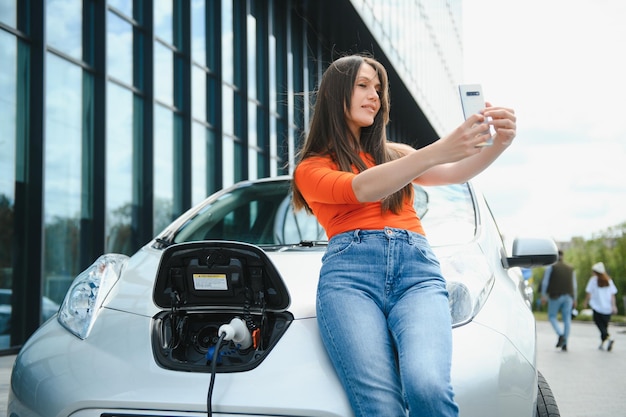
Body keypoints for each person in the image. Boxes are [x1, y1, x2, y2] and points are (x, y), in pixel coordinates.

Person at [291, 54, 516, 417]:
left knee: (428, 386)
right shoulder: (312, 167)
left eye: (378, 88)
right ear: (336, 95)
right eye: (363, 85)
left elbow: (455, 172)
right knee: (380, 406)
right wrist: (436, 150)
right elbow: (362, 189)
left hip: (418, 274)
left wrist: (498, 144)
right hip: (350, 280)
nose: (374, 96)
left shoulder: (394, 154)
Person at [540, 250, 577, 351]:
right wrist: (575, 298)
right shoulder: (570, 268)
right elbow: (574, 285)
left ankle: (560, 335)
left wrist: (543, 296)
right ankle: (565, 343)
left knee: (552, 316)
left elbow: (545, 283)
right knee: (567, 319)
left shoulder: (551, 267)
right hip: (569, 297)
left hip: (555, 296)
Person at [583, 262, 618, 351]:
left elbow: (589, 292)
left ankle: (609, 338)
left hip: (597, 307)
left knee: (600, 326)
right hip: (607, 308)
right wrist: (613, 306)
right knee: (604, 327)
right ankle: (602, 343)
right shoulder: (609, 281)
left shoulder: (593, 281)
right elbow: (612, 295)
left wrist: (586, 302)